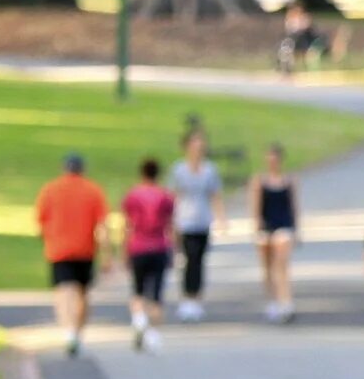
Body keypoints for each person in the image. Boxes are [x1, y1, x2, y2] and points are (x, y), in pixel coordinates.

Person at [33, 153, 109, 360]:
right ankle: (77, 331)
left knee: (64, 291)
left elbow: (40, 221)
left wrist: (47, 240)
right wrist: (106, 254)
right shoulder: (93, 190)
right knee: (82, 293)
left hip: (59, 249)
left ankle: (68, 332)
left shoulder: (50, 189)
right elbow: (102, 225)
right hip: (85, 249)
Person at [119, 157, 176, 352]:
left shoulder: (133, 195)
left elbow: (127, 225)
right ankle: (154, 334)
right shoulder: (165, 196)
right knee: (157, 293)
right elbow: (171, 225)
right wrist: (173, 249)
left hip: (138, 246)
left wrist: (124, 249)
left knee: (138, 290)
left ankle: (139, 320)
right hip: (159, 246)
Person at [166, 128, 222, 322]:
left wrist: (220, 218)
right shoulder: (179, 169)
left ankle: (197, 299)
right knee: (188, 260)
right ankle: (187, 299)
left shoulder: (209, 170)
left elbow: (215, 195)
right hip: (185, 221)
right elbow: (173, 196)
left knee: (199, 260)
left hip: (203, 220)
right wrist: (171, 222)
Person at [253, 143, 300, 323]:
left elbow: (293, 206)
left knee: (281, 264)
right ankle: (272, 300)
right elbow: (256, 207)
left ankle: (286, 301)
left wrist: (296, 228)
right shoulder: (260, 181)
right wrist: (257, 226)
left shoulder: (289, 180)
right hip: (267, 225)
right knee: (267, 266)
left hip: (283, 224)